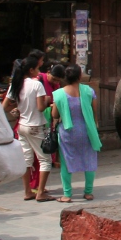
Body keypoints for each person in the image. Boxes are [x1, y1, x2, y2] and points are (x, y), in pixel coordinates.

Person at [50, 64, 101, 202]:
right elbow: (94, 110)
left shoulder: (59, 94)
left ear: (65, 77)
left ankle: (67, 194)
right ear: (79, 76)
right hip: (86, 130)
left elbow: (54, 114)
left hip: (68, 132)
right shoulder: (88, 91)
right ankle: (88, 192)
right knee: (89, 160)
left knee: (66, 161)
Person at [7, 59, 53, 201]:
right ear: (31, 70)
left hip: (22, 125)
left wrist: (19, 108)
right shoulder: (36, 85)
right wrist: (47, 101)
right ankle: (40, 192)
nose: (40, 72)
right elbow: (40, 107)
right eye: (38, 69)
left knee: (27, 159)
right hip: (35, 125)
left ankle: (27, 191)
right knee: (45, 159)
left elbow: (5, 106)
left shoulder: (15, 85)